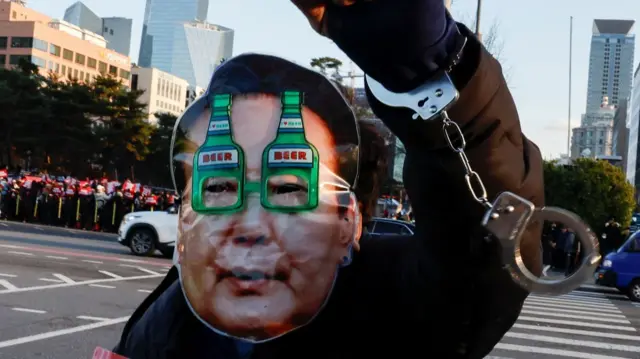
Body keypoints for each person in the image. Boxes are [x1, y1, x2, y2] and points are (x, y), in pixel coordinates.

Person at [113, 1, 544, 358]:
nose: (249, 226)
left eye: (287, 189)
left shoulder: (388, 308)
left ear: (346, 221)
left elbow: (477, 259)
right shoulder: (169, 315)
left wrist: (422, 68)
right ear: (185, 215)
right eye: (220, 187)